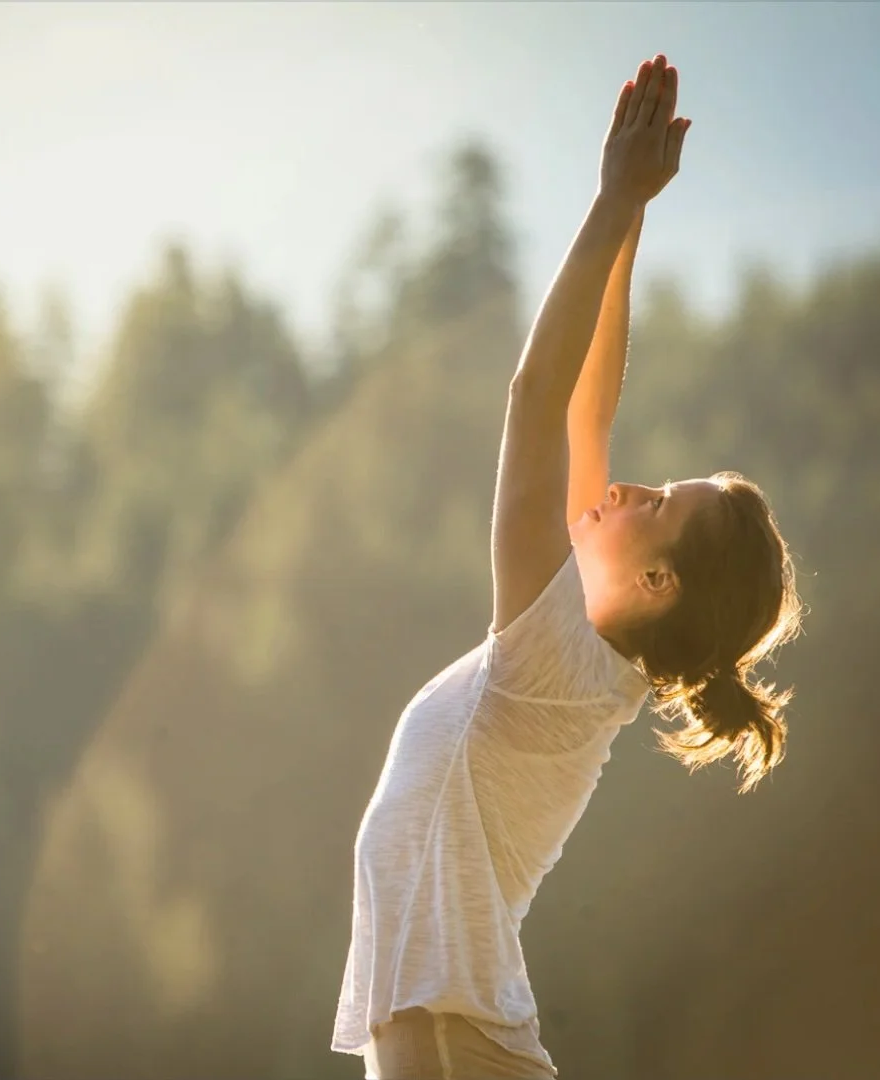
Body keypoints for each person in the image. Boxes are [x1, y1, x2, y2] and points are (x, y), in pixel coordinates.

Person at [331, 54, 804, 1080]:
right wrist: (631, 222)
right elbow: (588, 409)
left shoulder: (556, 655)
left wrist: (608, 203)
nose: (633, 486)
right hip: (445, 1035)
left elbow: (537, 396)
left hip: (452, 1045)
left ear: (658, 584)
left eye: (660, 506)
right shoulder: (583, 653)